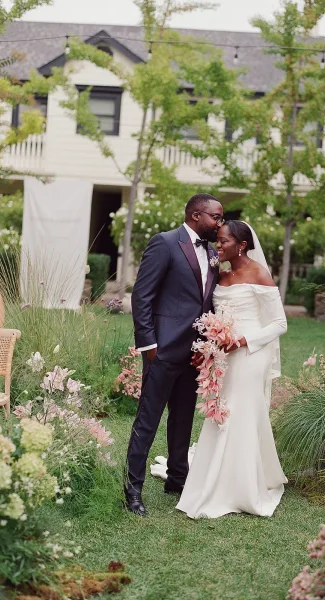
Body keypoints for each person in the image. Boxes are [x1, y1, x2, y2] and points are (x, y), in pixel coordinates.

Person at [175, 220, 288, 518]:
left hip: (251, 352)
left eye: (224, 242)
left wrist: (242, 341)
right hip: (223, 352)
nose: (218, 246)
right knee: (221, 409)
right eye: (218, 241)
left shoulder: (259, 273)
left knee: (239, 411)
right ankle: (215, 479)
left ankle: (242, 488)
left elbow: (280, 324)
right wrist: (209, 347)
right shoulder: (219, 275)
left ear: (242, 245)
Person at [124, 193, 224, 516]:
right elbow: (142, 294)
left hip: (194, 355)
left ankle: (177, 479)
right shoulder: (165, 243)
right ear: (196, 216)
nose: (220, 223)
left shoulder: (211, 253)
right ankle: (132, 488)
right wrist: (149, 345)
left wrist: (207, 346)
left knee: (182, 421)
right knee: (148, 420)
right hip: (162, 352)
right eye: (216, 217)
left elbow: (206, 302)